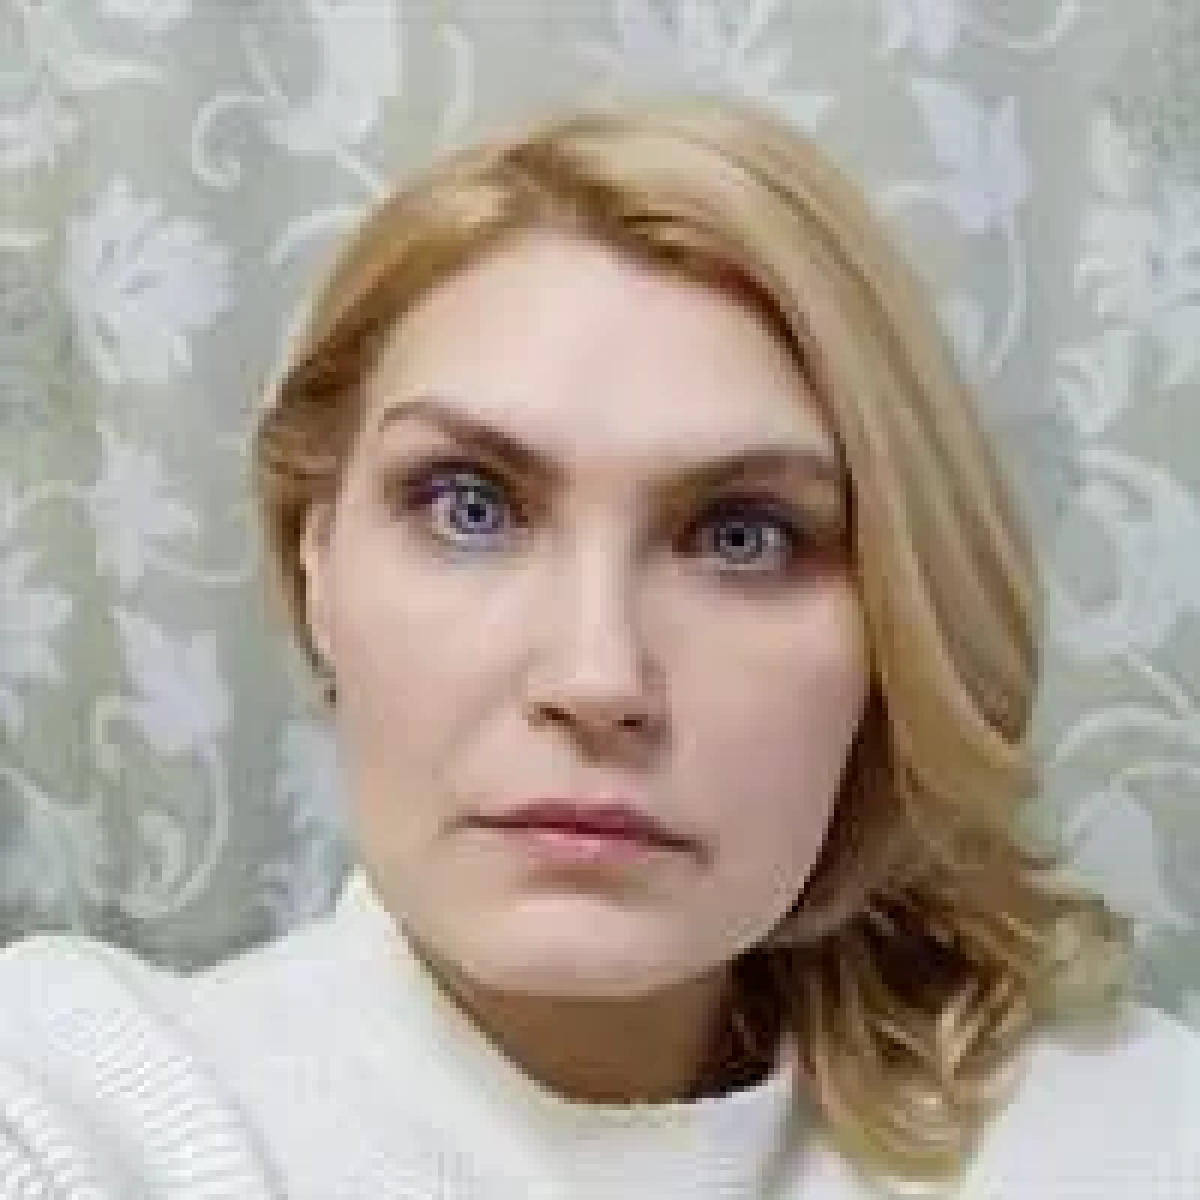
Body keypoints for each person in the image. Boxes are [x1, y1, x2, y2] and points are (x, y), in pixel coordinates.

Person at [0, 95, 1196, 1200]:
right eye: (470, 507)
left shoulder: (1126, 1126)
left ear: (895, 628)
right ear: (317, 567)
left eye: (743, 536)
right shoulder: (89, 1108)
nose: (596, 679)